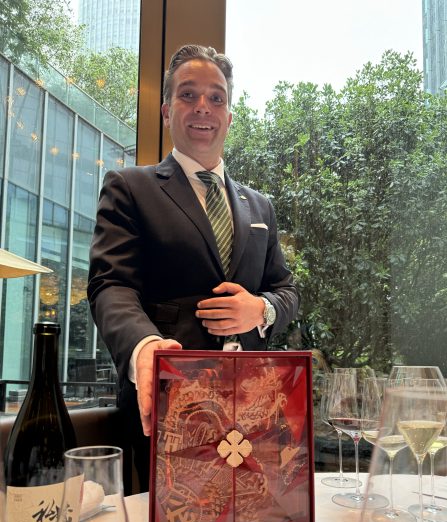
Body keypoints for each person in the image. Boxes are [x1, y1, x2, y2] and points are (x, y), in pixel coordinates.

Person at [87, 44, 299, 490]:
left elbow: (286, 290)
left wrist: (261, 310)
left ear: (229, 116)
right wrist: (145, 346)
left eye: (216, 97)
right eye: (188, 94)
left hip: (251, 412)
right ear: (167, 111)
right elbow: (111, 285)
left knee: (249, 519)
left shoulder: (260, 206)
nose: (203, 106)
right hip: (169, 405)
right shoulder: (130, 187)